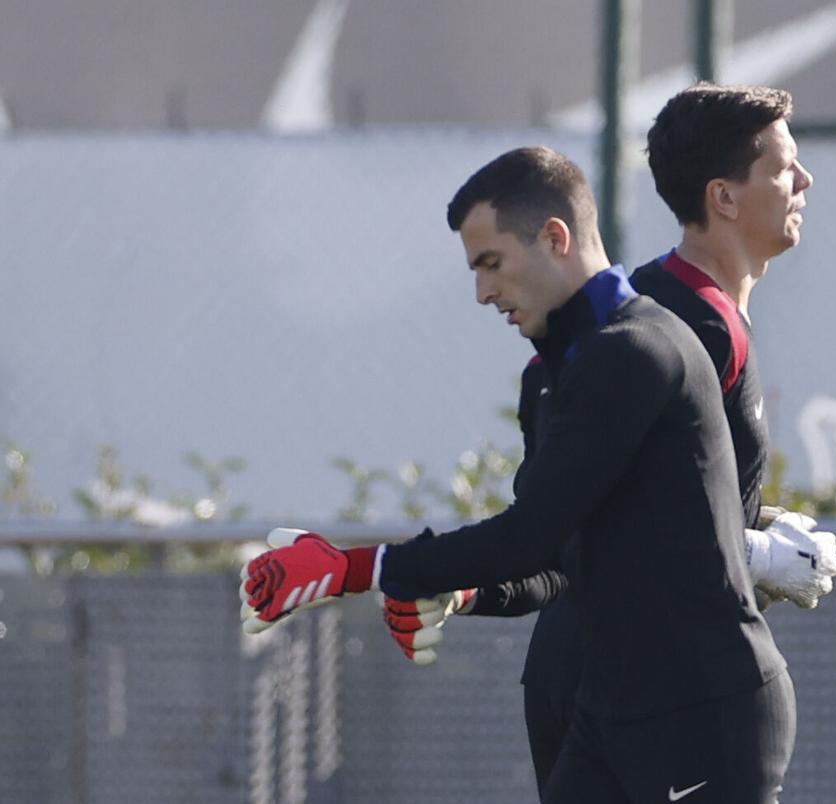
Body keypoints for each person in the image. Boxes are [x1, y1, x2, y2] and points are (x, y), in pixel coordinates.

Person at [241, 145, 797, 803]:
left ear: (555, 238)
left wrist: (355, 568)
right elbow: (557, 561)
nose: (481, 293)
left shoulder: (638, 349)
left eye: (491, 264)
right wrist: (461, 593)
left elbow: (527, 534)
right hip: (611, 707)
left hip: (701, 710)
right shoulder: (553, 374)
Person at [385, 83, 836, 799]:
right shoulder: (679, 327)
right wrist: (752, 551)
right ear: (724, 197)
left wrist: (750, 530)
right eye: (785, 166)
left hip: (618, 676)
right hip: (627, 689)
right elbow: (579, 524)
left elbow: (638, 497)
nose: (805, 180)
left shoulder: (678, 313)